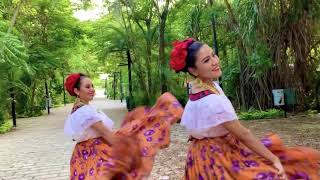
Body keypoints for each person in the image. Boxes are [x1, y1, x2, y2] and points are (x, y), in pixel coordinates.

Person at [169, 38, 320, 180]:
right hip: (216, 159)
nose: (215, 61)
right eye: (207, 60)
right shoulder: (212, 101)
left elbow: (200, 123)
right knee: (275, 170)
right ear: (194, 71)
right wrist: (273, 159)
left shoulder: (200, 87)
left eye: (213, 55)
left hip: (200, 154)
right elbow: (243, 134)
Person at [64, 73, 183, 180]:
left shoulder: (80, 109)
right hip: (94, 155)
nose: (92, 89)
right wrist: (129, 149)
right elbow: (106, 134)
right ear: (76, 91)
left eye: (92, 86)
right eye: (87, 87)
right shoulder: (85, 112)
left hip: (84, 156)